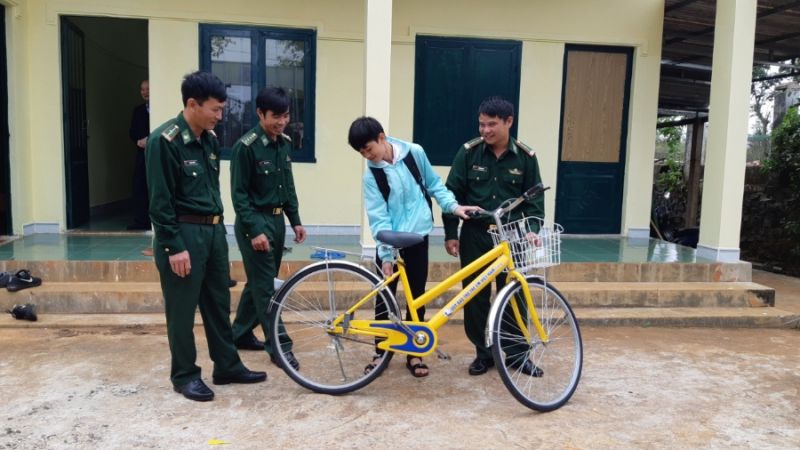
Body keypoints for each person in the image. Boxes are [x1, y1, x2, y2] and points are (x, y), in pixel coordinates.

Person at [146, 71, 266, 402]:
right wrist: (173, 246)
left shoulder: (210, 140)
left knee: (217, 303)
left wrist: (218, 232)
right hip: (183, 234)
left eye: (222, 109)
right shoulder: (164, 142)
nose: (220, 116)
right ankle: (184, 375)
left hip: (213, 232)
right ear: (192, 104)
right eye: (215, 109)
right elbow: (160, 201)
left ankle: (227, 365)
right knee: (182, 310)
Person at [348, 116, 480, 377]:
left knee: (417, 296)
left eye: (369, 148)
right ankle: (381, 351)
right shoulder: (371, 175)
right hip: (390, 242)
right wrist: (385, 255)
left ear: (382, 138)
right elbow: (378, 217)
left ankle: (414, 353)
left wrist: (454, 207)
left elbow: (434, 186)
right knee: (384, 299)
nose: (367, 155)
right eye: (361, 152)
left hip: (418, 237)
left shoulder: (414, 153)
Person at [443, 96, 545, 376]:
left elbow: (535, 200)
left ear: (508, 122)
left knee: (514, 294)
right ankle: (483, 353)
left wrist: (533, 231)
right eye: (481, 124)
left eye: (492, 125)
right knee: (475, 297)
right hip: (476, 235)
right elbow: (452, 194)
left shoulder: (525, 157)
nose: (485, 131)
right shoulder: (469, 153)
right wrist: (451, 233)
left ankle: (516, 354)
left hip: (512, 236)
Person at [229, 87, 306, 371]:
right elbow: (239, 196)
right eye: (276, 116)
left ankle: (238, 333)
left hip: (276, 222)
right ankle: (280, 346)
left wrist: (295, 219)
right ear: (260, 113)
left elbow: (287, 185)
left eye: (286, 115)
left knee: (260, 282)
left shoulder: (283, 144)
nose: (282, 121)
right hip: (255, 222)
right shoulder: (245, 147)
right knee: (267, 289)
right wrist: (253, 230)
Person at [128, 80, 152, 231]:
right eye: (142, 89)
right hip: (141, 153)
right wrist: (138, 141)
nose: (145, 92)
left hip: (155, 152)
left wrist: (150, 140)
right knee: (139, 186)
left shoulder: (160, 108)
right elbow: (132, 131)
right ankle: (140, 221)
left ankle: (153, 221)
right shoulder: (138, 110)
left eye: (148, 89)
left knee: (154, 186)